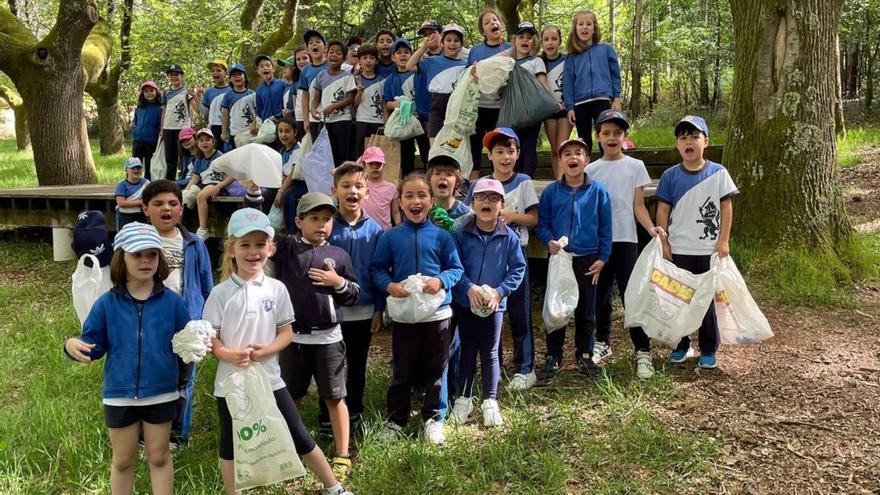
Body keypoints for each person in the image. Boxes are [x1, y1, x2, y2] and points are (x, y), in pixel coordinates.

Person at [204, 208, 354, 495]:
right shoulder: (220, 293)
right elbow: (214, 340)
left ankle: (334, 488)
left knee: (298, 434)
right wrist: (228, 354)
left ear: (271, 248)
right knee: (231, 443)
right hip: (231, 384)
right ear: (231, 249)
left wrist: (268, 350)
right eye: (245, 244)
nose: (253, 252)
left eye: (260, 244)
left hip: (271, 379)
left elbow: (286, 332)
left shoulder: (276, 289)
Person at [64, 222, 190, 495]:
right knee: (123, 460)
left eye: (152, 254)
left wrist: (198, 342)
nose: (146, 261)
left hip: (162, 393)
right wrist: (72, 344)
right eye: (137, 254)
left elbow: (187, 343)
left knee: (159, 456)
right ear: (122, 257)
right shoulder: (107, 303)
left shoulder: (173, 302)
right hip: (119, 395)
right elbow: (92, 345)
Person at [371, 174, 464, 445]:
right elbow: (377, 268)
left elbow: (456, 269)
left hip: (438, 315)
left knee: (436, 368)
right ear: (400, 202)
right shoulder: (390, 237)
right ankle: (396, 420)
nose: (415, 201)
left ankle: (434, 418)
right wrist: (389, 286)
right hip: (404, 316)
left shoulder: (442, 237)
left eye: (422, 195)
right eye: (409, 195)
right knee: (403, 368)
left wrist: (440, 281)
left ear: (431, 201)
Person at [272, 193, 360, 477]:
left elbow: (354, 295)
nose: (321, 224)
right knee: (291, 396)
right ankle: (289, 450)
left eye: (327, 219)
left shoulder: (339, 255)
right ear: (298, 221)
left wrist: (339, 282)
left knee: (335, 397)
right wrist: (255, 194)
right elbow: (263, 227)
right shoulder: (286, 248)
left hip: (328, 340)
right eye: (314, 218)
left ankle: (343, 453)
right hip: (293, 339)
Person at [655, 116, 738, 369]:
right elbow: (662, 209)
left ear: (706, 142)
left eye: (694, 136)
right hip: (679, 248)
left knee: (706, 300)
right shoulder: (670, 176)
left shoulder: (718, 173)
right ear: (677, 145)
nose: (688, 142)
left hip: (707, 249)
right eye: (683, 137)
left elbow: (726, 206)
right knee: (679, 298)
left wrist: (723, 240)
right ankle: (681, 344)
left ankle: (709, 348)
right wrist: (664, 241)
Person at [586, 110, 663, 378]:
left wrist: (650, 228)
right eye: (606, 133)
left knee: (632, 295)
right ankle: (603, 343)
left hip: (627, 240)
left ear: (625, 137)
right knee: (601, 296)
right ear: (598, 137)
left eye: (617, 133)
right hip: (598, 244)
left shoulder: (635, 166)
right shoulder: (590, 170)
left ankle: (642, 349)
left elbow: (638, 206)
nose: (611, 138)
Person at [464, 128, 539, 390]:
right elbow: (466, 217)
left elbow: (533, 219)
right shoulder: (478, 185)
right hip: (483, 255)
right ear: (490, 155)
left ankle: (525, 366)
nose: (505, 157)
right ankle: (476, 366)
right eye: (499, 152)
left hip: (514, 251)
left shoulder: (524, 181)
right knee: (481, 312)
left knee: (519, 312)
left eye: (510, 151)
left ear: (518, 154)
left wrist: (509, 217)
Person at [140, 179, 213, 445]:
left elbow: (207, 287)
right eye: (158, 204)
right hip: (148, 322)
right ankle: (145, 434)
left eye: (172, 203)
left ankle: (177, 435)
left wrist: (206, 322)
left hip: (186, 323)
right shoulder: (136, 243)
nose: (166, 209)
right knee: (149, 377)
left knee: (183, 381)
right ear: (145, 209)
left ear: (182, 209)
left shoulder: (194, 243)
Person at [449, 178, 525, 427]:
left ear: (502, 205)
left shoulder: (509, 237)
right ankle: (464, 398)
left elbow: (517, 268)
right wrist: (467, 287)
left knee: (491, 352)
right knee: (468, 349)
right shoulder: (461, 234)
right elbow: (454, 266)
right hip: (466, 302)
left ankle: (490, 400)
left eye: (494, 199)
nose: (487, 202)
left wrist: (500, 292)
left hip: (494, 306)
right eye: (481, 197)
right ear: (472, 202)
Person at [536, 138, 612, 380]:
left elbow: (606, 228)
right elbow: (542, 224)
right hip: (560, 257)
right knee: (556, 307)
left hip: (588, 258)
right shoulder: (551, 192)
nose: (573, 158)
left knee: (586, 307)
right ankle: (553, 354)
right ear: (560, 161)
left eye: (578, 153)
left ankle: (585, 353)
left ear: (586, 160)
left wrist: (603, 258)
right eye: (567, 153)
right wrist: (549, 240)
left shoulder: (599, 192)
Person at [318, 162, 385, 438]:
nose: (352, 191)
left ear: (367, 193)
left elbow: (380, 272)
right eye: (346, 186)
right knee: (330, 364)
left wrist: (379, 309)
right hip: (331, 311)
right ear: (335, 190)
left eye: (358, 186)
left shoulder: (376, 230)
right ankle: (326, 416)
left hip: (364, 310)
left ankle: (354, 411)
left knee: (357, 363)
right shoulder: (327, 227)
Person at [562, 11, 621, 153]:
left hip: (602, 99)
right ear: (575, 28)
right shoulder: (572, 56)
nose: (585, 27)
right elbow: (568, 83)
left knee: (605, 136)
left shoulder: (605, 49)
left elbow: (615, 74)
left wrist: (617, 97)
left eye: (589, 24)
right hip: (580, 103)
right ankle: (585, 172)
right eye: (581, 24)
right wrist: (570, 107)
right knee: (584, 140)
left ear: (594, 28)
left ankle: (608, 170)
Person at [466, 8, 510, 180]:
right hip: (479, 105)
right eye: (487, 22)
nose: (492, 23)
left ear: (501, 24)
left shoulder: (511, 48)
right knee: (475, 144)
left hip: (502, 106)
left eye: (495, 20)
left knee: (498, 144)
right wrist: (473, 72)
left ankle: (499, 180)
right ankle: (474, 182)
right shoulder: (475, 51)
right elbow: (467, 76)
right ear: (483, 31)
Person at [406, 23, 468, 143]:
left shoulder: (464, 65)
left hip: (456, 109)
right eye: (448, 40)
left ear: (461, 45)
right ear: (442, 43)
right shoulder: (432, 61)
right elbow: (409, 66)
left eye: (456, 41)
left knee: (454, 146)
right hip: (436, 107)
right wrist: (424, 47)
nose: (452, 43)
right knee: (435, 145)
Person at [509, 21, 552, 178]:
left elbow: (542, 83)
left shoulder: (536, 61)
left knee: (528, 146)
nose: (525, 40)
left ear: (534, 41)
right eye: (521, 37)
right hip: (512, 112)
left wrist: (552, 104)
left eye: (529, 37)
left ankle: (527, 181)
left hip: (531, 111)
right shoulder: (507, 63)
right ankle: (515, 180)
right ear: (514, 40)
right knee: (514, 146)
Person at [311, 41, 357, 165]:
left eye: (338, 53)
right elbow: (316, 97)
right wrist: (313, 109)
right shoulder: (321, 76)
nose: (334, 55)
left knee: (341, 155)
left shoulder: (347, 76)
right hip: (325, 121)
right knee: (324, 153)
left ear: (344, 58)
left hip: (342, 121)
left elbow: (350, 99)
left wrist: (333, 106)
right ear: (326, 54)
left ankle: (341, 181)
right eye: (331, 52)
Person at [382, 38, 421, 176]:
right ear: (393, 57)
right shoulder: (390, 80)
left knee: (427, 152)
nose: (403, 55)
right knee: (406, 155)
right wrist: (395, 104)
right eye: (398, 52)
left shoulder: (419, 73)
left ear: (412, 55)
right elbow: (386, 102)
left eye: (406, 52)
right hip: (403, 122)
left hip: (421, 119)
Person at [189, 129, 231, 239]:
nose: (204, 143)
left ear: (213, 142)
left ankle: (203, 228)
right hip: (204, 184)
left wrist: (219, 186)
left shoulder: (220, 157)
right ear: (198, 144)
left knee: (201, 196)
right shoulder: (199, 159)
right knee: (185, 196)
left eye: (207, 140)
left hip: (216, 184)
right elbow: (195, 178)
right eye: (201, 140)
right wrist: (186, 189)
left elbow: (232, 176)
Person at [412, 20, 443, 164]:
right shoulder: (423, 58)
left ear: (441, 34)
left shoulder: (451, 54)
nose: (429, 37)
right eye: (425, 35)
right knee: (428, 154)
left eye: (432, 33)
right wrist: (423, 48)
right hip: (426, 112)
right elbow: (408, 66)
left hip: (447, 111)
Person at [541, 24, 569, 179]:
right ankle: (558, 179)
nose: (550, 43)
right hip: (548, 110)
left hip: (565, 108)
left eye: (554, 39)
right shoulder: (539, 62)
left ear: (560, 41)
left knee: (562, 147)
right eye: (546, 39)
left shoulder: (568, 60)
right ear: (542, 42)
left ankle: (562, 181)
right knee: (554, 149)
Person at [160, 64, 195, 181]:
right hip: (168, 127)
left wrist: (196, 96)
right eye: (171, 75)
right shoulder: (166, 93)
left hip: (183, 128)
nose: (174, 77)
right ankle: (169, 182)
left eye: (177, 75)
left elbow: (194, 109)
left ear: (182, 76)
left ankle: (184, 179)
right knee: (170, 158)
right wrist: (161, 129)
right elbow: (164, 111)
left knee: (184, 156)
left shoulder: (187, 91)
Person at [273, 116, 306, 233]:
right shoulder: (282, 150)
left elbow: (292, 176)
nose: (283, 135)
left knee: (288, 196)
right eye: (280, 131)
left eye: (287, 131)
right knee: (266, 193)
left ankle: (292, 232)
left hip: (301, 183)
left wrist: (280, 191)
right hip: (286, 181)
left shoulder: (299, 149)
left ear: (295, 132)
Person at [353, 43, 385, 159]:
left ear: (376, 61)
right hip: (362, 120)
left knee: (378, 153)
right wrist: (359, 93)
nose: (368, 61)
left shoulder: (382, 81)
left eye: (372, 58)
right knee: (362, 153)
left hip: (378, 121)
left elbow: (384, 103)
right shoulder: (356, 80)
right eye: (365, 58)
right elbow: (355, 104)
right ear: (359, 61)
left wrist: (385, 122)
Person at [361, 146, 401, 230]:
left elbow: (395, 212)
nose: (375, 167)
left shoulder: (391, 187)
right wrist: (357, 164)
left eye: (378, 164)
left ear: (384, 165)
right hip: (364, 231)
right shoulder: (360, 185)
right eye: (371, 164)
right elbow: (335, 173)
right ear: (364, 164)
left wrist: (400, 230)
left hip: (384, 231)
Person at [300, 29, 329, 140]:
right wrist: (306, 119)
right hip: (313, 118)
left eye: (318, 41)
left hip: (331, 117)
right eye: (311, 43)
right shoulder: (305, 71)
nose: (314, 44)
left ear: (325, 48)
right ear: (307, 50)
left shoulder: (332, 66)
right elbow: (305, 96)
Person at [220, 63, 256, 150]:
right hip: (235, 132)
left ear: (245, 77)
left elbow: (257, 112)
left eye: (239, 74)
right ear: (230, 79)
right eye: (234, 75)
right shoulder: (228, 95)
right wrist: (224, 132)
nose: (237, 77)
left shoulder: (252, 94)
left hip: (250, 132)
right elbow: (225, 115)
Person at [131, 80, 163, 180]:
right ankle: (132, 183)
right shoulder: (139, 108)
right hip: (138, 140)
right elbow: (136, 121)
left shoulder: (160, 108)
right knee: (135, 164)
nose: (149, 93)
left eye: (151, 90)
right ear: (143, 94)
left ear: (156, 91)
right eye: (146, 91)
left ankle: (148, 185)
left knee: (149, 165)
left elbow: (160, 125)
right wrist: (134, 127)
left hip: (151, 141)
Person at [197, 59, 231, 147]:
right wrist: (199, 97)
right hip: (214, 127)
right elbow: (205, 112)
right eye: (213, 71)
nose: (215, 73)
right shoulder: (209, 92)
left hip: (230, 125)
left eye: (219, 70)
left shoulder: (231, 90)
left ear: (226, 73)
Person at [427, 155, 470, 220]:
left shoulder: (467, 215)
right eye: (437, 173)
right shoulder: (423, 213)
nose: (443, 177)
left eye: (449, 174)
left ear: (457, 182)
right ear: (429, 180)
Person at [115, 157, 149, 230]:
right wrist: (140, 202)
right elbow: (121, 203)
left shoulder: (146, 183)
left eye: (138, 168)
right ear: (126, 170)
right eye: (133, 168)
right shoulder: (121, 185)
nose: (136, 170)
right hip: (125, 216)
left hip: (141, 215)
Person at [254, 54, 286, 126]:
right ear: (258, 71)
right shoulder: (259, 90)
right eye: (261, 66)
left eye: (268, 65)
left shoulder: (282, 85)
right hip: (267, 124)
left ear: (273, 69)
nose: (265, 68)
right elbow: (259, 110)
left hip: (282, 122)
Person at [280, 48, 308, 119]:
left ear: (294, 67)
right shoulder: (287, 86)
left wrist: (292, 112)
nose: (284, 70)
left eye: (287, 67)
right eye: (298, 59)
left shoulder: (306, 80)